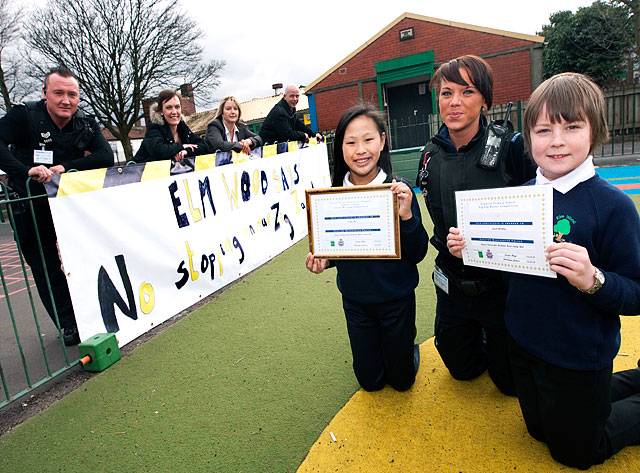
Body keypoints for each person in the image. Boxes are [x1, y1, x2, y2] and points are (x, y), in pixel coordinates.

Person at [447, 72, 640, 469]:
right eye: (543, 129)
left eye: (572, 127)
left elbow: (636, 291)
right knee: (537, 430)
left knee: (578, 452)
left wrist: (595, 280)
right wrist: (474, 249)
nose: (556, 140)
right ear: (528, 137)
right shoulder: (516, 199)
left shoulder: (612, 207)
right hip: (523, 342)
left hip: (578, 353)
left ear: (595, 130)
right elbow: (509, 268)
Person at [418, 55, 536, 395]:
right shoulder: (430, 154)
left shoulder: (511, 148)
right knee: (462, 371)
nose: (454, 102)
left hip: (499, 287)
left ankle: (500, 337)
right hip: (452, 282)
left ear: (485, 99)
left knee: (510, 384)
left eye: (467, 92)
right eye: (446, 93)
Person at [305, 103, 428, 392]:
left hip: (396, 299)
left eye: (368, 140)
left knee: (401, 381)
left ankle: (406, 349)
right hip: (356, 301)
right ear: (341, 148)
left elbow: (419, 252)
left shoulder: (399, 190)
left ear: (383, 141)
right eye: (351, 142)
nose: (360, 150)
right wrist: (325, 260)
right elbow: (340, 246)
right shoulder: (332, 197)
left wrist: (407, 215)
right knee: (370, 383)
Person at [0, 66, 114, 346]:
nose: (66, 100)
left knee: (83, 257)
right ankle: (69, 325)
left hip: (67, 206)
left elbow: (105, 156)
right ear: (44, 94)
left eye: (72, 95)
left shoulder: (85, 122)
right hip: (30, 206)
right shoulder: (24, 116)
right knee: (45, 265)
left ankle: (95, 312)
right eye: (59, 93)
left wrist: (66, 166)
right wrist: (24, 170)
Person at [134, 89, 208, 163]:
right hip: (140, 173)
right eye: (169, 107)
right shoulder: (154, 129)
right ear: (161, 111)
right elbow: (160, 151)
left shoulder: (182, 128)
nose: (174, 112)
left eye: (177, 107)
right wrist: (182, 146)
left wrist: (186, 151)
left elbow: (204, 146)